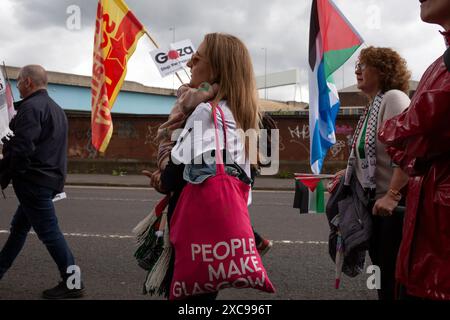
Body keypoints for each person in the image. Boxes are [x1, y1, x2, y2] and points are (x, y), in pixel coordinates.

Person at [146, 33, 262, 300]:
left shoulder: (205, 112)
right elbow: (245, 175)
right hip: (224, 224)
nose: (189, 65)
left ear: (217, 68)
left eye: (196, 58)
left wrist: (162, 176)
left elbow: (176, 174)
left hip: (196, 226)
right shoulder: (243, 113)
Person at [379, 0, 450, 300]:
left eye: (364, 67)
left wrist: (392, 193)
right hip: (425, 248)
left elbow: (414, 133)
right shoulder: (438, 64)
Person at [0, 65, 84, 299]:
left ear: (28, 82)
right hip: (49, 179)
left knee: (49, 232)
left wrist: (9, 173)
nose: (17, 86)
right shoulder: (56, 109)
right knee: (18, 230)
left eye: (18, 81)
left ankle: (73, 283)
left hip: (34, 181)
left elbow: (23, 147)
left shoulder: (30, 108)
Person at [333, 47, 411, 300]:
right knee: (380, 269)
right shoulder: (373, 105)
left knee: (392, 274)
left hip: (394, 206)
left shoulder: (394, 98)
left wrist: (393, 194)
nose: (357, 71)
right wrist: (347, 174)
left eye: (364, 65)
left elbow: (407, 151)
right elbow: (370, 156)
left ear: (382, 70)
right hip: (375, 204)